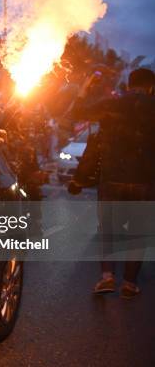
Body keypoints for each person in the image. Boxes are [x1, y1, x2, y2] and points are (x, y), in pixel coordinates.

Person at [72, 68, 155, 299]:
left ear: (129, 84)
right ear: (151, 86)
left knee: (108, 229)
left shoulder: (113, 104)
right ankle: (129, 283)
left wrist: (84, 87)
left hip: (112, 177)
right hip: (146, 180)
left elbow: (77, 111)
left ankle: (107, 277)